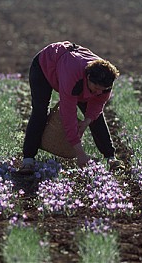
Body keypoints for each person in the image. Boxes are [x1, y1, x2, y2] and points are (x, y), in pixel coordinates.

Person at [22, 41, 121, 171]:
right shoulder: (73, 78)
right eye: (96, 88)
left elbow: (97, 105)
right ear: (88, 77)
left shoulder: (105, 81)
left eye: (102, 90)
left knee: (97, 118)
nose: (98, 93)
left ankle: (111, 157)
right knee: (40, 111)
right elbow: (68, 116)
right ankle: (28, 159)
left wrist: (87, 121)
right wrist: (80, 154)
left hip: (70, 68)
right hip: (45, 66)